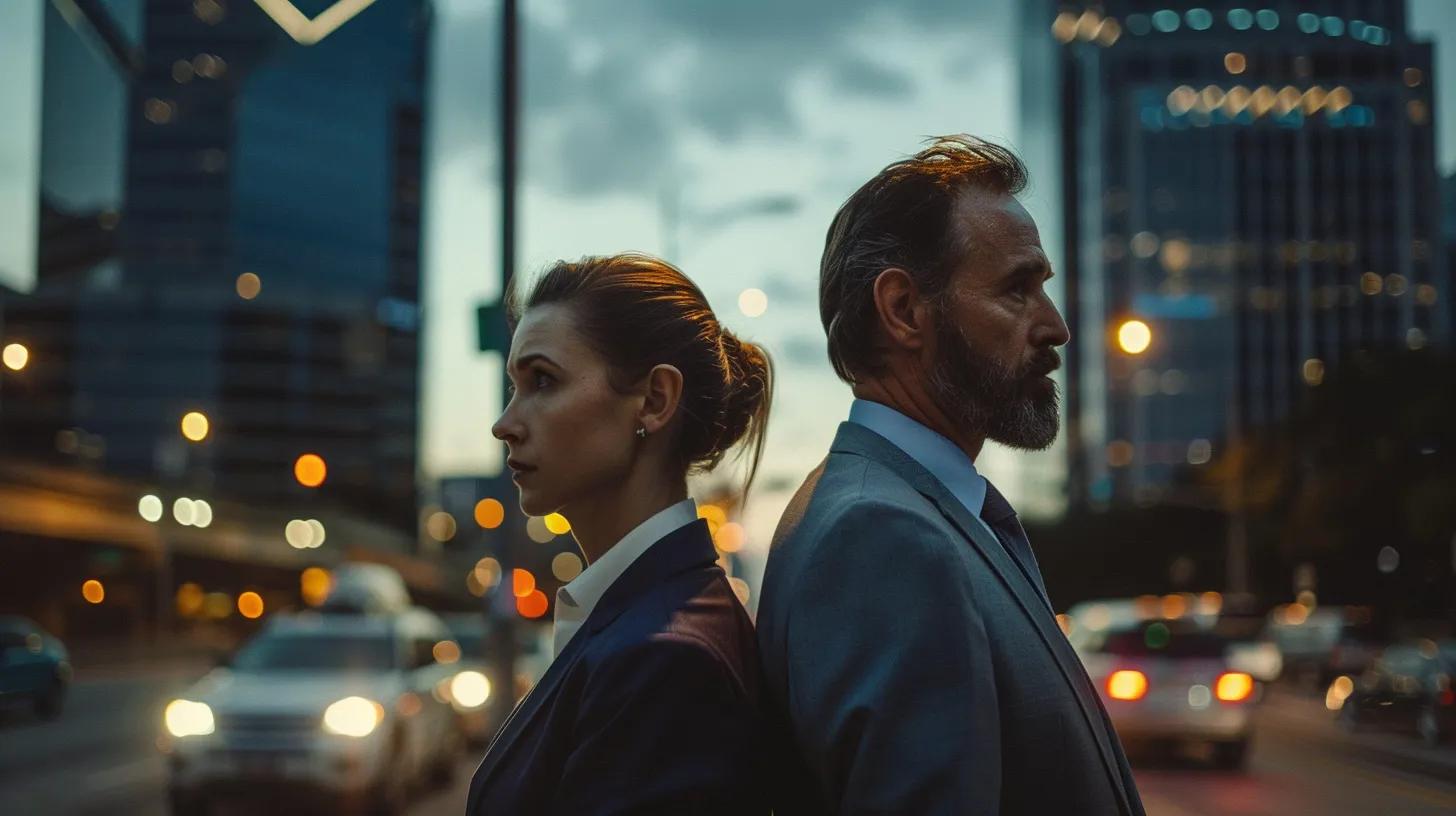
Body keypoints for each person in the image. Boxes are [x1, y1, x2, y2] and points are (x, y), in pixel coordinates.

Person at [757, 136, 1146, 815]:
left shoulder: (909, 512)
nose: (1054, 326)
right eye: (1017, 290)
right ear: (905, 310)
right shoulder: (884, 537)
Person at [465, 253, 773, 815]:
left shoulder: (664, 659)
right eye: (514, 386)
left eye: (542, 381)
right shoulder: (647, 618)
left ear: (654, 400)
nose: (504, 423)